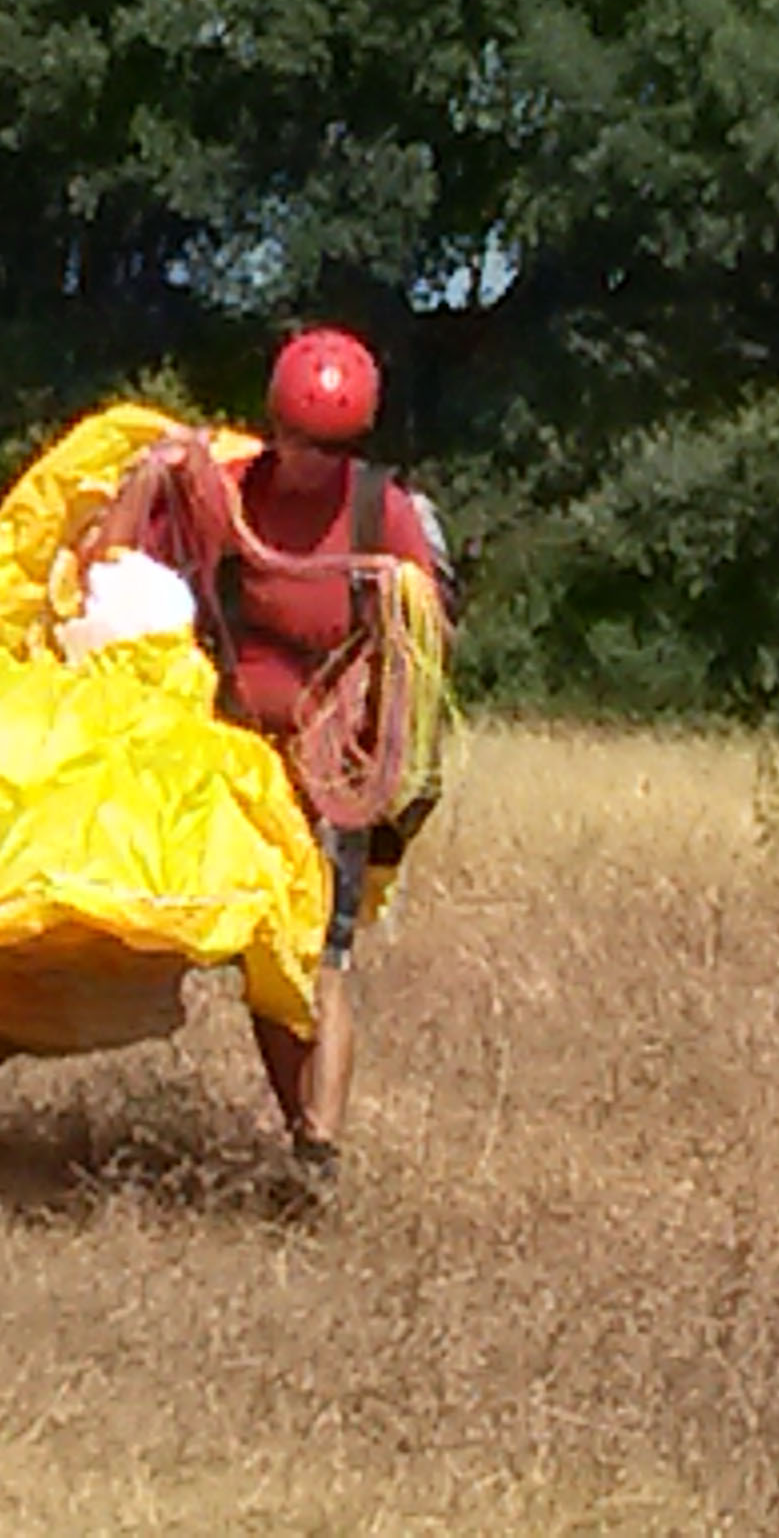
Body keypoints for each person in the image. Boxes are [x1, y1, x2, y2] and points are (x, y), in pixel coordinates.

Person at [218, 327, 451, 1179]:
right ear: (272, 425)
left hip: (337, 776)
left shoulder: (381, 513)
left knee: (322, 956)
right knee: (262, 956)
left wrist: (381, 770)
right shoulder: (231, 490)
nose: (312, 458)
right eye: (299, 437)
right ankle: (300, 1136)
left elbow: (424, 639)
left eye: (334, 445)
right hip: (241, 763)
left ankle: (321, 1140)